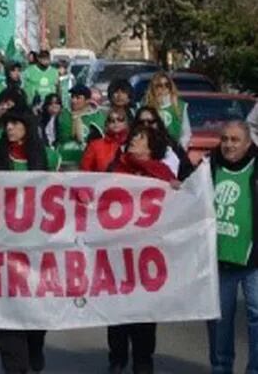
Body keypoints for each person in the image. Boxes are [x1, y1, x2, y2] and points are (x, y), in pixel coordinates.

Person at [104, 125, 178, 374]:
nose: (133, 141)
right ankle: (117, 358)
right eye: (133, 137)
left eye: (140, 138)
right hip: (118, 254)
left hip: (148, 257)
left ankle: (143, 360)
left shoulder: (162, 173)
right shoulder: (117, 169)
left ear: (152, 146)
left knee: (145, 314)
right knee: (117, 311)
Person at [0, 109, 55, 373]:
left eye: (16, 123)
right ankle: (14, 365)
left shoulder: (49, 157)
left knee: (34, 306)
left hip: (37, 245)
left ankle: (34, 346)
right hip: (3, 244)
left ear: (28, 127)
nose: (10, 128)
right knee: (5, 308)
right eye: (7, 124)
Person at [206, 121, 258, 374]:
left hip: (253, 260)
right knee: (219, 320)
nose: (228, 144)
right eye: (225, 139)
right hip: (218, 258)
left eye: (235, 139)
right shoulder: (209, 165)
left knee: (257, 317)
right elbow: (188, 191)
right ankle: (220, 368)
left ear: (248, 142)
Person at [142, 72, 192, 149]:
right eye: (159, 85)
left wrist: (180, 150)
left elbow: (186, 133)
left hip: (173, 151)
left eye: (167, 85)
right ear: (153, 87)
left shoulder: (180, 106)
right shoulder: (145, 106)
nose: (164, 88)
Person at [55, 85, 100, 169]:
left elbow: (84, 139)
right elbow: (65, 136)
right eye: (72, 97)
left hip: (86, 163)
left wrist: (77, 117)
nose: (73, 101)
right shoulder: (63, 114)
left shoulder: (97, 116)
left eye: (78, 98)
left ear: (87, 100)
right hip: (64, 161)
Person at [133, 107, 184, 179]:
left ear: (158, 123)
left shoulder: (172, 146)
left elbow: (185, 173)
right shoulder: (129, 145)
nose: (146, 125)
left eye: (150, 122)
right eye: (141, 122)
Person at [80, 106, 130, 173]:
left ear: (126, 123)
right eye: (111, 120)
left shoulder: (132, 144)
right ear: (106, 124)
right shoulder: (95, 145)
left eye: (120, 119)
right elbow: (85, 170)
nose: (116, 122)